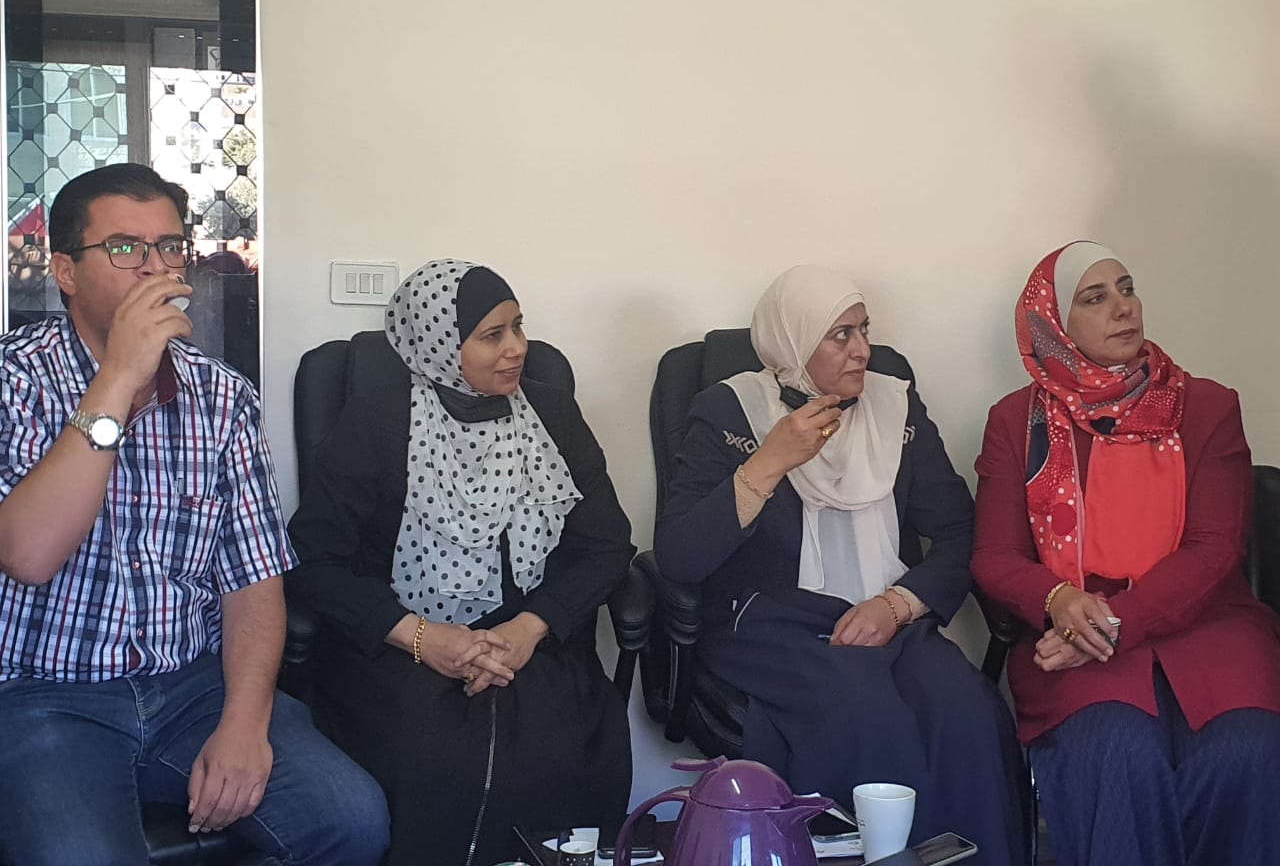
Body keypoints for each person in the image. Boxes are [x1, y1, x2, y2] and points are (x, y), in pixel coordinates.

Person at [0, 164, 389, 865]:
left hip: (192, 688)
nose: (156, 268)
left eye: (170, 246)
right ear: (65, 271)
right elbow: (28, 554)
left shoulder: (222, 397)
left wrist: (245, 724)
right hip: (42, 694)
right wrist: (119, 377)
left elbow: (254, 583)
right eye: (125, 248)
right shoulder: (16, 380)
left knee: (351, 819)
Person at [654, 264, 1026, 865]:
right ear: (794, 341)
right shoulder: (728, 411)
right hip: (772, 625)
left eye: (864, 330)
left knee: (970, 712)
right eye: (840, 335)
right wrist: (769, 462)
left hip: (888, 618)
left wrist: (898, 605)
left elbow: (959, 531)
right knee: (865, 713)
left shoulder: (894, 406)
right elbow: (679, 556)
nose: (862, 351)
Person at [287, 259, 636, 866]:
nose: (517, 348)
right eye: (492, 335)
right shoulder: (377, 420)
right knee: (432, 752)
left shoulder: (554, 414)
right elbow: (313, 560)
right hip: (399, 644)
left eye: (519, 327)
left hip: (533, 639)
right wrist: (423, 638)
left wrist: (530, 627)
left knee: (566, 744)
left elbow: (607, 544)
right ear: (438, 342)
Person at [972, 241, 1280, 866]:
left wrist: (1113, 624)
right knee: (1118, 749)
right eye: (1095, 297)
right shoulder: (1017, 422)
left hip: (1205, 626)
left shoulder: (1207, 407)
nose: (1123, 308)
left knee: (1245, 748)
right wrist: (1058, 599)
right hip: (1074, 631)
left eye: (1127, 289)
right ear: (1054, 325)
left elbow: (1214, 550)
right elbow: (994, 556)